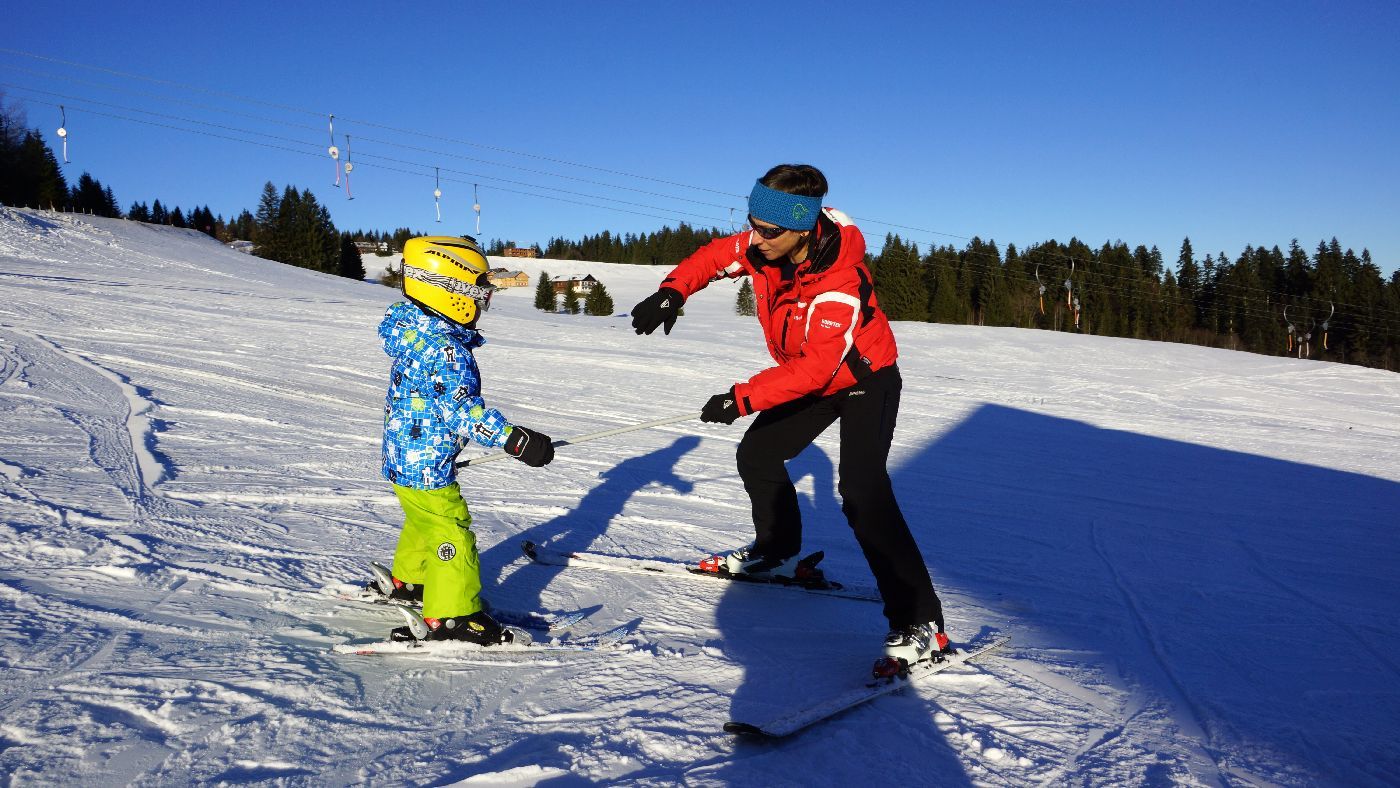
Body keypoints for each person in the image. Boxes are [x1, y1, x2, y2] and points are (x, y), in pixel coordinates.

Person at [630, 164, 949, 667]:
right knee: (759, 454)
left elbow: (818, 369)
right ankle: (778, 553)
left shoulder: (839, 281)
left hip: (864, 379)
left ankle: (921, 622)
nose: (755, 238)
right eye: (752, 224)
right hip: (809, 374)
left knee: (863, 492)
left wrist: (742, 398)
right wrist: (674, 290)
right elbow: (715, 256)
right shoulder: (767, 245)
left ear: (802, 228)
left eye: (768, 230)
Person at [375, 235, 555, 645]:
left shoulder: (413, 332)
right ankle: (451, 615)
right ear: (450, 291)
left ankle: (412, 581)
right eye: (478, 291)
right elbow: (462, 412)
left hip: (403, 456)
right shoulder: (447, 351)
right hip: (425, 462)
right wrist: (515, 440)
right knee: (451, 533)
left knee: (424, 521)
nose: (483, 301)